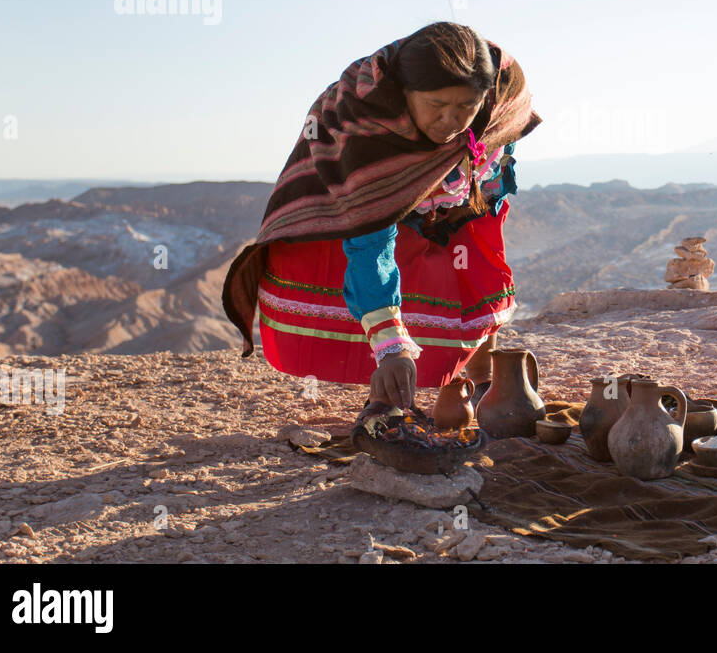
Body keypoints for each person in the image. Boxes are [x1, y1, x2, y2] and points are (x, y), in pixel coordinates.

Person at [221, 22, 541, 411]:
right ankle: (387, 376)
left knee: (472, 254)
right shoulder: (364, 125)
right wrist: (390, 347)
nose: (451, 121)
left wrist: (462, 184)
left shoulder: (501, 96)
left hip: (464, 175)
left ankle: (486, 378)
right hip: (350, 194)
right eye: (437, 106)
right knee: (363, 260)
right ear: (405, 94)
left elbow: (485, 216)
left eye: (464, 107)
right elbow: (371, 236)